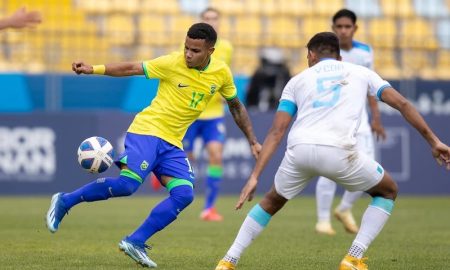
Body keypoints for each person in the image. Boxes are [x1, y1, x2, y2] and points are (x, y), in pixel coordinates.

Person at [215, 32, 450, 270]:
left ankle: (229, 260)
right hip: (340, 151)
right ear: (338, 55)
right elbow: (403, 104)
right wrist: (433, 141)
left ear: (311, 54)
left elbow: (277, 131)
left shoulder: (297, 80)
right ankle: (353, 257)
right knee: (388, 191)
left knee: (272, 200)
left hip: (300, 150)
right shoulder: (361, 72)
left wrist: (255, 176)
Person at [45, 23, 261, 268]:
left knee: (184, 194)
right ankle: (65, 200)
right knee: (128, 185)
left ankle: (135, 241)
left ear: (210, 51)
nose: (188, 54)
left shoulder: (221, 73)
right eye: (186, 48)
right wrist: (92, 68)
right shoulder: (171, 62)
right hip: (147, 130)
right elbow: (130, 68)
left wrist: (252, 140)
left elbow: (235, 106)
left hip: (172, 143)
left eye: (195, 51)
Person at [315, 8, 386, 236]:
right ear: (333, 28)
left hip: (360, 121)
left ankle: (344, 208)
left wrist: (376, 118)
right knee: (328, 170)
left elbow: (370, 87)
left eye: (348, 27)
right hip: (332, 120)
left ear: (354, 28)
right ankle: (323, 221)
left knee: (370, 169)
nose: (343, 31)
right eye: (339, 27)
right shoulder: (324, 51)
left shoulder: (365, 52)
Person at [181, 7, 234, 222]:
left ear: (220, 23)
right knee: (187, 160)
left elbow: (224, 74)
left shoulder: (227, 48)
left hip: (214, 114)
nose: (211, 22)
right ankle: (175, 190)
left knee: (216, 155)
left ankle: (209, 208)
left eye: (215, 19)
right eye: (207, 19)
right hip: (192, 113)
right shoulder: (189, 47)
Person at [246, 47, 291, 112]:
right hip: (258, 111)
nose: (272, 69)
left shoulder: (284, 75)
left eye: (276, 65)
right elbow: (251, 95)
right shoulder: (258, 75)